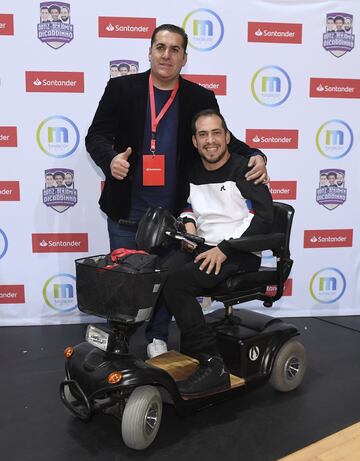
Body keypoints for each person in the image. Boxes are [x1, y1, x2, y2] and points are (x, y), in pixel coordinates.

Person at [85, 24, 268, 358]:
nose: (166, 55)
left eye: (174, 49)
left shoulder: (200, 97)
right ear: (150, 51)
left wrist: (257, 155)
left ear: (185, 57)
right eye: (160, 47)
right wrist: (110, 159)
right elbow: (95, 135)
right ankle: (121, 344)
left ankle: (157, 337)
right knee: (126, 283)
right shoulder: (121, 88)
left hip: (174, 216)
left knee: (167, 281)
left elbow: (223, 139)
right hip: (126, 210)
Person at [162, 109, 274, 396]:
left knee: (178, 284)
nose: (210, 141)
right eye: (203, 135)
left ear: (226, 136)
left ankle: (214, 367)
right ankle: (192, 348)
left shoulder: (246, 170)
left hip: (239, 251)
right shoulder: (194, 171)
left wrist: (225, 249)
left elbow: (264, 218)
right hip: (206, 246)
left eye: (215, 133)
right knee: (161, 271)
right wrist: (188, 223)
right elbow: (191, 205)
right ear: (195, 141)